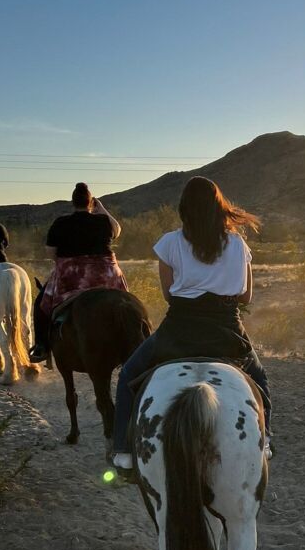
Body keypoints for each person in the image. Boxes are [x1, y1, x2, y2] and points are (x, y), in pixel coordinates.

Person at [111, 176, 272, 472]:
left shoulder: (169, 242)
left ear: (184, 207)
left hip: (179, 330)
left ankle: (123, 450)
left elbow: (169, 295)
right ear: (218, 207)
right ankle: (265, 441)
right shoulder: (238, 244)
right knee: (259, 380)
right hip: (226, 330)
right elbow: (246, 297)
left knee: (128, 375)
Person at [29, 182, 127, 362]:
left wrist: (64, 263)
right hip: (106, 274)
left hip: (73, 276)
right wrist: (101, 208)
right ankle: (136, 342)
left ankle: (42, 347)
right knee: (128, 302)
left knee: (41, 304)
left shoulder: (61, 222)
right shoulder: (103, 220)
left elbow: (51, 252)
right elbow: (117, 230)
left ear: (73, 203)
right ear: (91, 203)